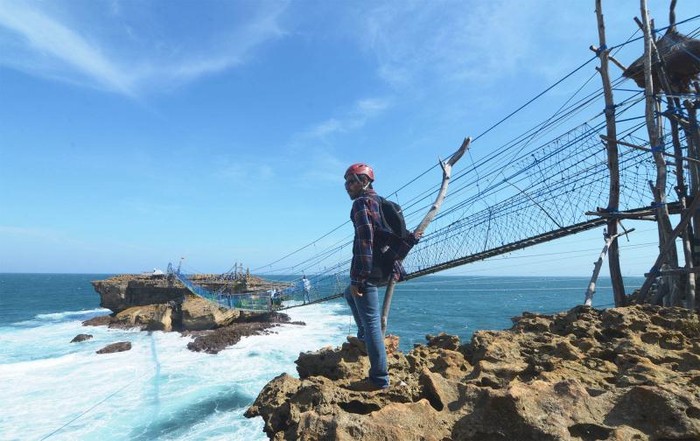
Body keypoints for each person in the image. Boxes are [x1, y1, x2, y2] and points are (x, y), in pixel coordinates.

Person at [342, 162, 393, 391]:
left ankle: (379, 379)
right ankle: (363, 336)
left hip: (369, 271)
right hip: (384, 268)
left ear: (365, 181)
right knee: (348, 295)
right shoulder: (379, 201)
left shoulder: (361, 203)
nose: (348, 186)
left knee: (372, 323)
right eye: (346, 183)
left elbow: (365, 242)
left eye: (352, 181)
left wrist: (359, 279)